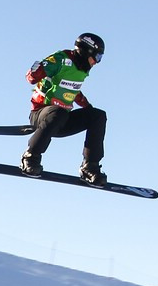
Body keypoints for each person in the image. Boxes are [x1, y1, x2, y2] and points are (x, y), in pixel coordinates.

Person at [20, 33, 107, 185]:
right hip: (41, 115)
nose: (97, 63)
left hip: (60, 120)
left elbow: (73, 91)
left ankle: (89, 168)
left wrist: (88, 109)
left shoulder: (81, 70)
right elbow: (33, 76)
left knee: (98, 116)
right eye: (98, 57)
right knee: (57, 112)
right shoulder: (62, 60)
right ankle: (30, 157)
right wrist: (35, 74)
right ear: (87, 51)